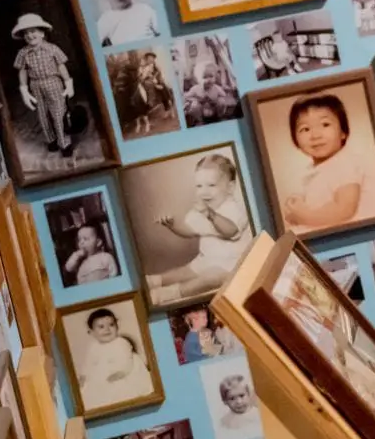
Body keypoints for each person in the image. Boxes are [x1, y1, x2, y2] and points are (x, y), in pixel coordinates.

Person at [150, 153, 249, 296]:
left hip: (230, 266)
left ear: (230, 187)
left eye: (211, 185)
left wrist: (211, 215)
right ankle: (154, 281)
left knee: (211, 278)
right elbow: (188, 231)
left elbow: (231, 231)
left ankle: (172, 293)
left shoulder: (234, 209)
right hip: (205, 259)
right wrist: (172, 225)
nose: (204, 191)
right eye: (199, 186)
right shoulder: (201, 211)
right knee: (184, 271)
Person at [282, 94, 375, 231]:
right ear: (295, 139)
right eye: (305, 129)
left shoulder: (345, 163)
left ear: (343, 132)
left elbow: (345, 210)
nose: (316, 135)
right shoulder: (316, 171)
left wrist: (305, 216)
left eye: (325, 124)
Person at [10, 14, 73, 157]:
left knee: (58, 112)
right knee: (42, 114)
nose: (30, 35)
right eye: (26, 33)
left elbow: (61, 66)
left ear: (42, 33)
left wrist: (68, 83)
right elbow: (22, 71)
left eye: (33, 31)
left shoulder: (52, 49)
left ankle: (64, 142)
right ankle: (51, 140)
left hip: (53, 82)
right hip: (35, 84)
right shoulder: (23, 53)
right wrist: (24, 89)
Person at [79, 307, 153, 408]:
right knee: (89, 391)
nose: (107, 329)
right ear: (91, 332)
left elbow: (126, 362)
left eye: (111, 325)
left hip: (124, 372)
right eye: (101, 327)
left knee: (121, 389)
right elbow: (88, 364)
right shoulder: (93, 347)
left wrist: (121, 372)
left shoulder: (121, 343)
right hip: (103, 374)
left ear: (117, 326)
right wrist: (83, 376)